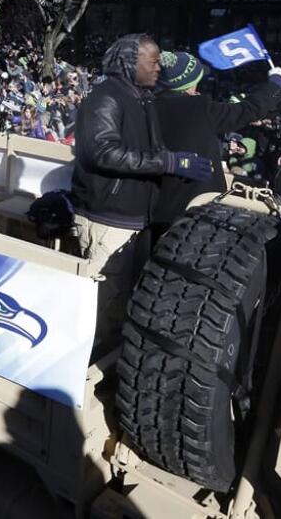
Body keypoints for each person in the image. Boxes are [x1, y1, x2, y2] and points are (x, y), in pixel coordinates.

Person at [68, 34, 214, 345]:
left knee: (124, 301)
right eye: (153, 61)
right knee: (102, 303)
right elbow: (103, 152)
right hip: (108, 219)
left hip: (136, 219)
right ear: (129, 63)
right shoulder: (105, 97)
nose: (160, 68)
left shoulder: (141, 97)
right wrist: (168, 162)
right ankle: (86, 370)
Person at [151, 51, 281, 226]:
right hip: (198, 210)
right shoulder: (200, 108)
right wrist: (274, 83)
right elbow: (249, 110)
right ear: (188, 84)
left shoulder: (148, 107)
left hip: (158, 209)